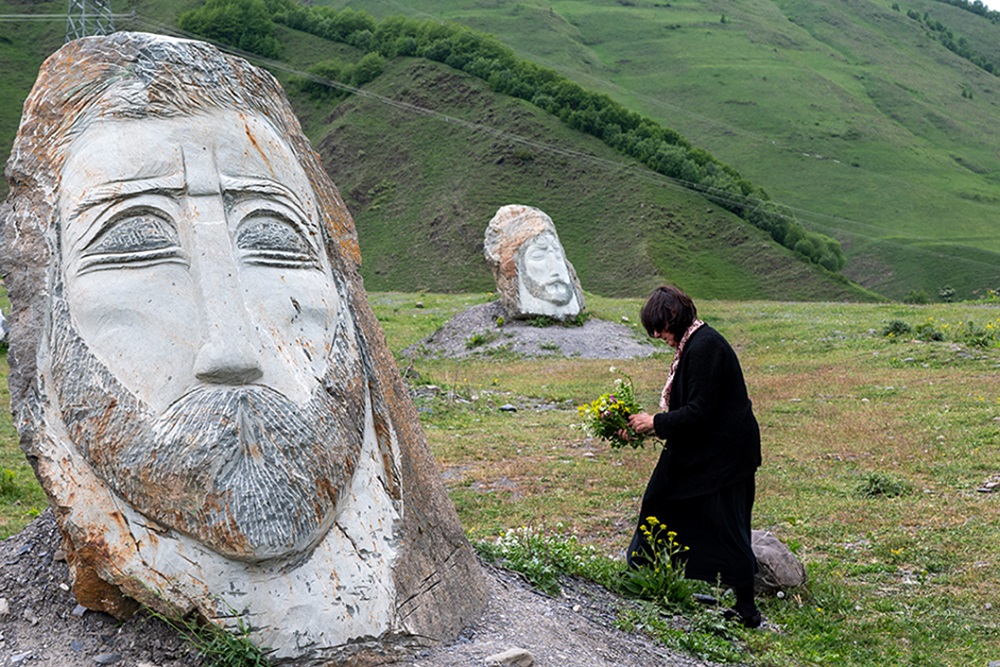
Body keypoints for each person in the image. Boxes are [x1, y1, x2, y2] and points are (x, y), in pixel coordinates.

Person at [625, 285, 763, 627]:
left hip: (725, 457)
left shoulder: (705, 348)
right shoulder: (694, 344)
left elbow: (699, 412)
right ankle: (649, 577)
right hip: (706, 450)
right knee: (661, 501)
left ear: (674, 316)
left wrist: (655, 423)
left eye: (660, 327)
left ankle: (747, 610)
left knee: (728, 526)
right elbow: (691, 411)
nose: (658, 335)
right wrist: (645, 425)